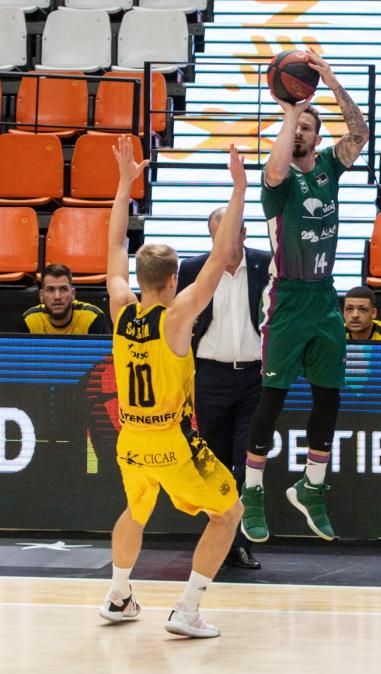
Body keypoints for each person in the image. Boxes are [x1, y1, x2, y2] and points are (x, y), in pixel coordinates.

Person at [99, 135, 246, 638]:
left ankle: (119, 595)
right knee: (229, 514)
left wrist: (124, 185)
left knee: (135, 511)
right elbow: (223, 253)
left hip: (131, 438)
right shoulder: (177, 317)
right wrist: (239, 190)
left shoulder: (121, 307)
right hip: (170, 439)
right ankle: (187, 609)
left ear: (141, 278)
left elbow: (115, 244)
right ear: (172, 279)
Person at [241, 47, 369, 544]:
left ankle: (311, 487)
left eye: (308, 129)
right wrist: (291, 109)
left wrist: (330, 83)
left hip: (323, 297)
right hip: (287, 299)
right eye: (295, 127)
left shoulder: (329, 170)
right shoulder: (278, 181)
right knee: (270, 400)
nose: (300, 133)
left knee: (328, 398)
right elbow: (272, 171)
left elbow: (359, 134)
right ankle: (253, 490)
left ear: (317, 138)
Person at [177, 211, 271, 570]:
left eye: (231, 236)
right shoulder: (192, 269)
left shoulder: (266, 265)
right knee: (212, 465)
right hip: (209, 378)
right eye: (218, 237)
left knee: (248, 463)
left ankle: (241, 543)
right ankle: (218, 542)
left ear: (244, 233)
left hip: (254, 379)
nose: (226, 245)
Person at [19, 263, 109, 334]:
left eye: (63, 289)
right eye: (50, 290)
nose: (57, 297)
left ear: (73, 293)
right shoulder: (30, 320)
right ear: (41, 296)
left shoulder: (92, 317)